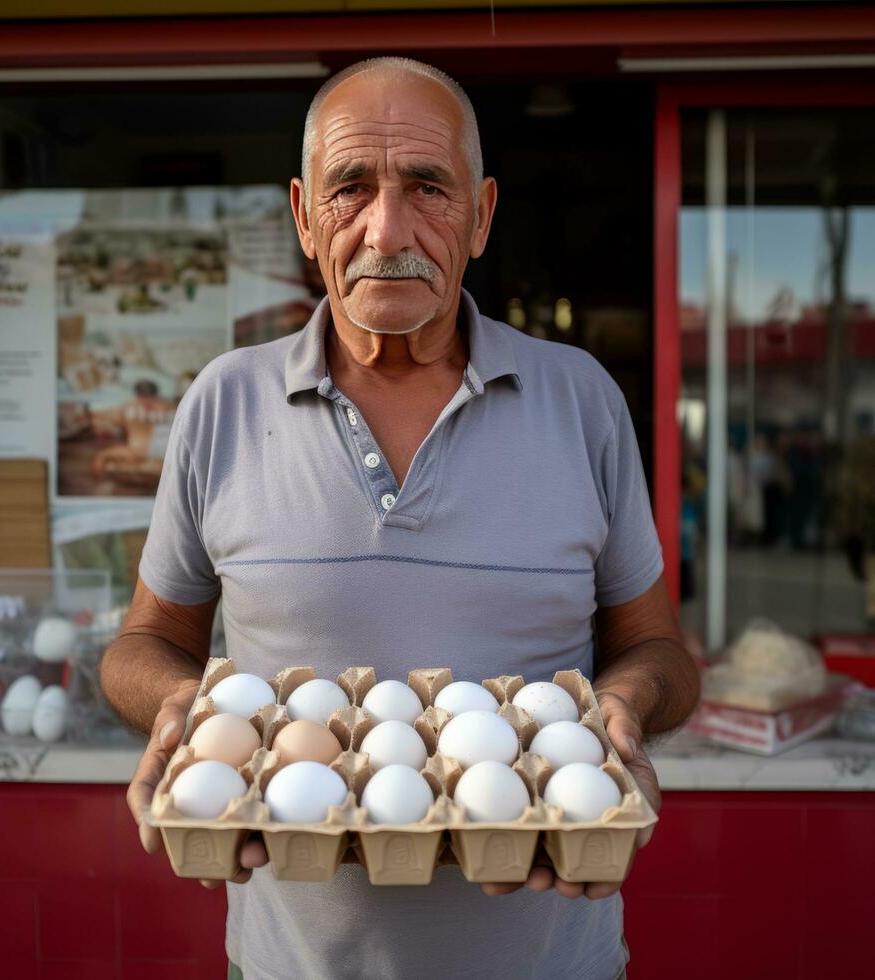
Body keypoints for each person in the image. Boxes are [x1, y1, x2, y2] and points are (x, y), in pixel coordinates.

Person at [100, 57, 700, 980]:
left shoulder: (579, 400)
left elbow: (659, 652)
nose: (388, 230)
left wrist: (625, 706)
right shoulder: (224, 402)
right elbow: (143, 641)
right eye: (351, 188)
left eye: (428, 187)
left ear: (483, 214)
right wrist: (187, 707)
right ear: (304, 215)